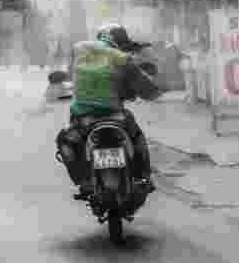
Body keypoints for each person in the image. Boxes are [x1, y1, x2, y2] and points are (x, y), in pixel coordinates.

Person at [55, 23, 161, 196]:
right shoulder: (121, 58)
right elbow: (146, 88)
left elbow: (70, 77)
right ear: (119, 43)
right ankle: (144, 177)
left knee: (66, 141)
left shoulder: (79, 50)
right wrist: (155, 93)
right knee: (137, 137)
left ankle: (83, 181)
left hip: (83, 117)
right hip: (116, 115)